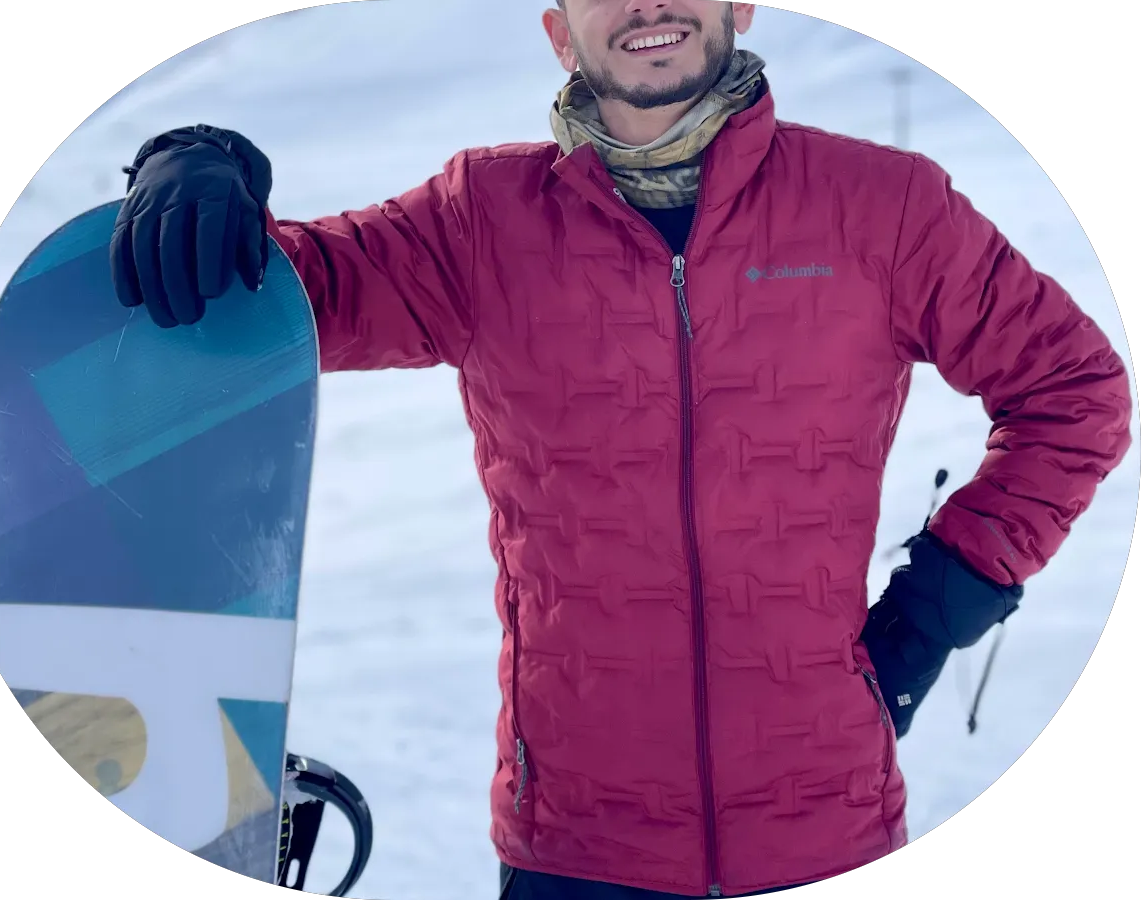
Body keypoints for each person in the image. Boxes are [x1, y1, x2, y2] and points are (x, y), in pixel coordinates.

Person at [108, 2, 1133, 897]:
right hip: (577, 852)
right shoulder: (482, 223)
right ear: (561, 34)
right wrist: (199, 161)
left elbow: (1074, 390)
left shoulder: (882, 207)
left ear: (741, 4)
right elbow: (290, 294)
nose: (647, 4)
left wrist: (932, 615)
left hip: (826, 832)